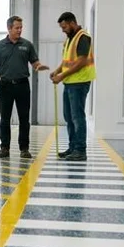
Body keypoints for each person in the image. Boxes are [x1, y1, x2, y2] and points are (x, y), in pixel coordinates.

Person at [0, 16, 50, 159]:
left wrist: (39, 66)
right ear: (9, 28)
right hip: (5, 86)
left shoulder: (27, 45)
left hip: (22, 85)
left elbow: (35, 62)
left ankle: (24, 148)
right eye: (17, 28)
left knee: (24, 118)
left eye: (21, 27)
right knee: (5, 118)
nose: (20, 30)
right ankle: (4, 148)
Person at [50, 12, 95, 161]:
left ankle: (80, 150)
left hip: (79, 82)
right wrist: (57, 71)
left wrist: (61, 76)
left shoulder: (83, 37)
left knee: (77, 117)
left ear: (72, 23)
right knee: (68, 116)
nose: (63, 30)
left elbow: (81, 62)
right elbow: (66, 61)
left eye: (64, 27)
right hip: (70, 82)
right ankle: (73, 147)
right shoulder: (70, 39)